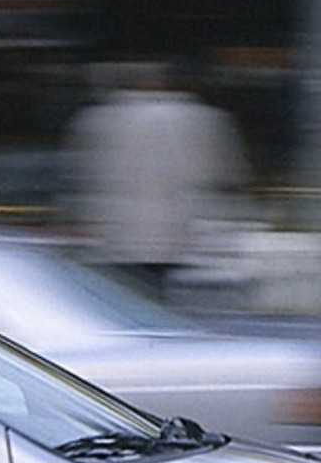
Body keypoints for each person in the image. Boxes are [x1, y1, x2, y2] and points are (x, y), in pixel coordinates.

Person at [65, 61, 250, 295]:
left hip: (118, 235)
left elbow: (85, 179)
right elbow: (222, 176)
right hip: (180, 233)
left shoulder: (99, 118)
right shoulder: (205, 119)